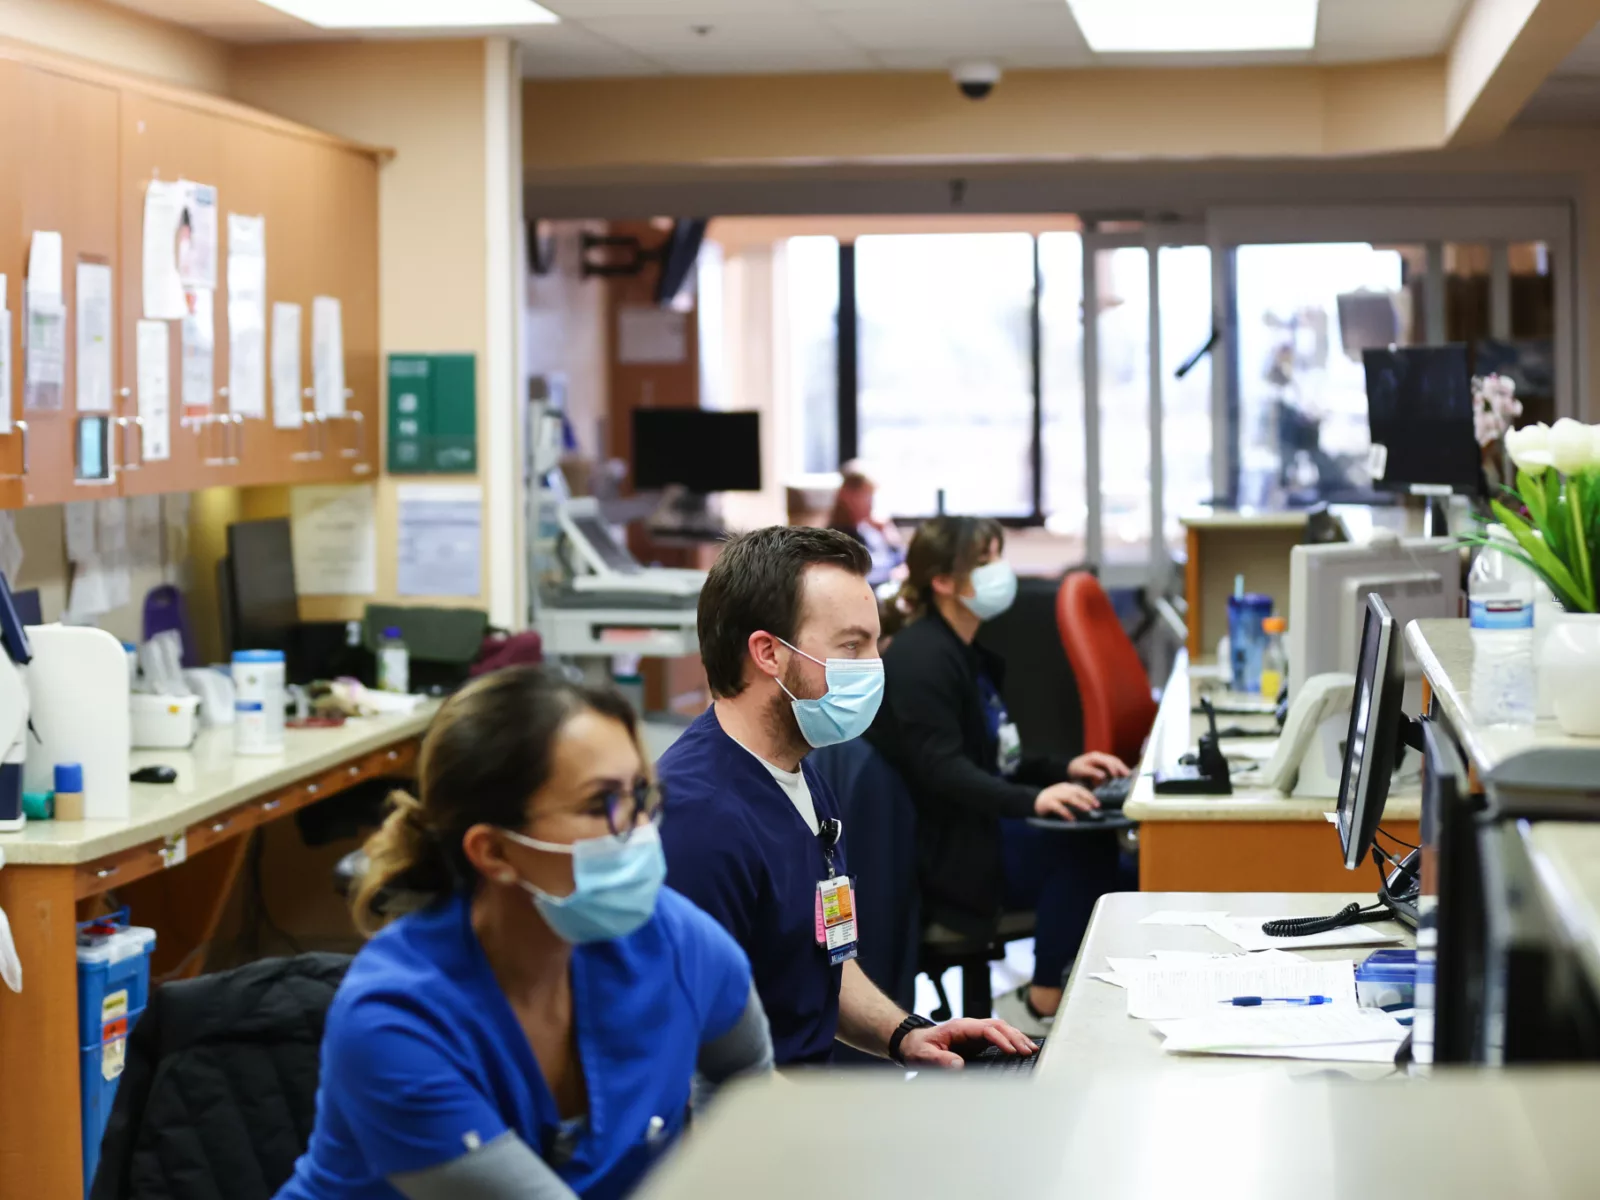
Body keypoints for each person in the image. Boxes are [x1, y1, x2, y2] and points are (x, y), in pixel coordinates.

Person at [276, 668, 772, 1200]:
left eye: (640, 795)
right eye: (599, 804)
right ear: (493, 851)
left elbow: (746, 1077)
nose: (639, 829)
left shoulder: (672, 941)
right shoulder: (397, 1020)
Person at [656, 526, 1037, 1069]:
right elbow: (696, 1068)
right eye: (852, 646)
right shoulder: (697, 822)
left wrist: (906, 1034)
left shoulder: (802, 777)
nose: (874, 666)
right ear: (768, 653)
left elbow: (823, 964)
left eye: (874, 644)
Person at [866, 516, 1133, 1037]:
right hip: (950, 853)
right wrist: (1034, 802)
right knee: (1082, 848)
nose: (999, 572)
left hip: (978, 826)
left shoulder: (963, 650)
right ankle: (1040, 1005)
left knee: (1115, 863)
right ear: (942, 581)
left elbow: (999, 753)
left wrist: (1064, 770)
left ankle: (1077, 996)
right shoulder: (924, 658)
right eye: (984, 561)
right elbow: (945, 770)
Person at [827, 462, 905, 588]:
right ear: (848, 496)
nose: (871, 504)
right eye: (867, 496)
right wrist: (892, 575)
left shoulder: (867, 529)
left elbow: (900, 559)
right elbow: (857, 578)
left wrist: (889, 532)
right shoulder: (836, 539)